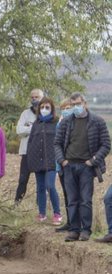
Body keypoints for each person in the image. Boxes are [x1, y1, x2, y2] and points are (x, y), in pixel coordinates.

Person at [55, 92, 110, 242]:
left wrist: (93, 161)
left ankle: (86, 230)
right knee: (72, 199)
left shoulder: (97, 122)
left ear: (85, 104)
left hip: (86, 166)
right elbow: (57, 143)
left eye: (78, 104)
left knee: (85, 199)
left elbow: (106, 144)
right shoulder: (66, 122)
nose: (76, 107)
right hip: (69, 166)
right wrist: (62, 161)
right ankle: (74, 230)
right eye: (73, 105)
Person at [27, 97, 62, 225]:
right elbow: (31, 142)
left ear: (51, 109)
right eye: (42, 107)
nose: (44, 109)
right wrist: (30, 160)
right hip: (38, 161)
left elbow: (60, 142)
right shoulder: (36, 124)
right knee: (40, 188)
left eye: (47, 107)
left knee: (50, 186)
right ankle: (42, 214)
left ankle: (57, 213)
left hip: (51, 161)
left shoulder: (56, 123)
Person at [15, 88, 44, 204]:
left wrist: (28, 128)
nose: (34, 99)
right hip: (26, 152)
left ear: (42, 98)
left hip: (41, 153)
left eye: (36, 97)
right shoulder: (25, 114)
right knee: (22, 180)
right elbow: (19, 130)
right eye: (32, 97)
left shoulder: (46, 113)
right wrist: (35, 128)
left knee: (40, 182)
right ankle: (17, 204)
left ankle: (40, 207)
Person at [55, 99, 73, 232]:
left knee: (73, 195)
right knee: (66, 194)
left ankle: (76, 223)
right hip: (60, 164)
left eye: (68, 107)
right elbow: (57, 144)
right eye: (64, 108)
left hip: (71, 164)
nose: (66, 110)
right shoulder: (59, 123)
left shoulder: (75, 123)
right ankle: (69, 221)